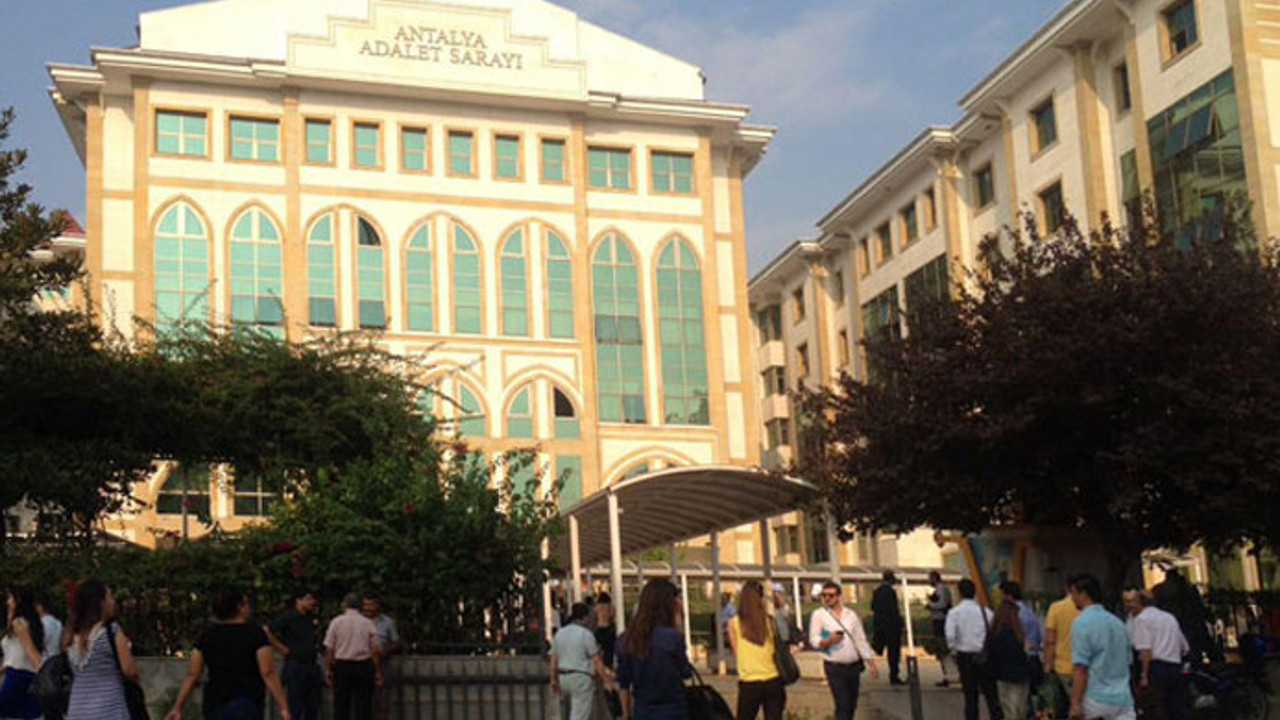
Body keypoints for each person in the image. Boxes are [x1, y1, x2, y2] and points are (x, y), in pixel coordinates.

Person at [165, 586, 291, 720]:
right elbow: (268, 672)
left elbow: (192, 674)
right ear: (240, 607)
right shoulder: (255, 634)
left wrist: (178, 707)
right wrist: (283, 707)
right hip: (247, 700)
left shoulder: (207, 635)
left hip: (215, 701)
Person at [615, 578, 693, 720]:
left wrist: (626, 714)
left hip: (643, 710)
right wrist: (680, 622)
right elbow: (685, 672)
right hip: (673, 710)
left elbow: (624, 683)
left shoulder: (626, 639)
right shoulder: (672, 637)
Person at [65, 580, 138, 720]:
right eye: (109, 597)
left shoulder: (71, 635)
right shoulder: (111, 631)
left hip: (77, 709)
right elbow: (129, 670)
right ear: (101, 602)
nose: (113, 602)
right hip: (109, 708)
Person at [1067, 574, 1134, 720]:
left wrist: (1075, 703)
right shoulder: (1118, 623)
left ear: (1083, 594)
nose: (1071, 597)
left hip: (1095, 698)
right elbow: (1128, 661)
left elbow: (1081, 668)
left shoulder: (1081, 623)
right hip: (1123, 698)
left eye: (1073, 592)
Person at [808, 581, 878, 720]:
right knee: (842, 704)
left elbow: (860, 639)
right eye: (824, 595)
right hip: (834, 666)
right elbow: (813, 639)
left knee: (851, 704)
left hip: (853, 666)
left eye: (831, 595)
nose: (827, 598)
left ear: (839, 596)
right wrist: (828, 641)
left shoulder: (851, 615)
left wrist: (871, 663)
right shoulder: (819, 615)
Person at [1122, 588, 1189, 720]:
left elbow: (1145, 650)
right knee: (1176, 709)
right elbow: (1185, 647)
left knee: (1157, 709)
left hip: (1156, 668)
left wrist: (1144, 676)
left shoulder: (1142, 619)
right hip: (1175, 666)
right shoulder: (1169, 617)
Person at [945, 578, 1003, 720]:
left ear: (959, 593)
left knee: (970, 696)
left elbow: (950, 635)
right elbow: (995, 631)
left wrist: (953, 651)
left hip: (964, 656)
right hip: (984, 656)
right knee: (991, 695)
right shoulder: (986, 612)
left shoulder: (954, 613)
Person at [728, 581, 786, 720]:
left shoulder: (734, 623)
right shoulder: (769, 621)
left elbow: (736, 651)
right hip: (773, 678)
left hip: (749, 680)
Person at [325, 593, 383, 720]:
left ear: (344, 605)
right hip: (363, 665)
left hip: (342, 665)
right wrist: (377, 671)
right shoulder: (367, 623)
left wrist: (328, 668)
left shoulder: (336, 622)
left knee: (341, 704)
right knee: (364, 704)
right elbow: (375, 649)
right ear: (360, 606)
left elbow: (330, 648)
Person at [551, 602, 611, 720]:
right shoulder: (586, 634)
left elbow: (554, 659)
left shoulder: (560, 633)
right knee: (580, 714)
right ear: (585, 617)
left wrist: (553, 678)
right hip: (581, 677)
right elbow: (596, 660)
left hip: (563, 676)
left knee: (566, 711)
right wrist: (606, 679)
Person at [268, 589, 323, 720]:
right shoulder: (289, 617)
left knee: (312, 706)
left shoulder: (311, 618)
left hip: (311, 664)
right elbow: (268, 631)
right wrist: (281, 648)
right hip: (295, 664)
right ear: (299, 600)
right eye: (308, 599)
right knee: (294, 706)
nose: (312, 602)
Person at [1151, 569, 1220, 664]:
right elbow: (1198, 607)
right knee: (1194, 654)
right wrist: (1209, 617)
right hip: (1191, 626)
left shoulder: (1158, 591)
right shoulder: (1188, 589)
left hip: (1169, 627)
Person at [0, 587, 46, 720]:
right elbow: (15, 655)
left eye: (10, 598)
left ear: (17, 601)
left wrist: (43, 674)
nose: (7, 601)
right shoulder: (26, 623)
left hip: (17, 676)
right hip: (21, 673)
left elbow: (30, 650)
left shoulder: (18, 624)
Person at [1044, 582, 1081, 718]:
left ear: (1066, 589)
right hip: (1083, 667)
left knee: (1061, 709)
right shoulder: (1085, 609)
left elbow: (1050, 640)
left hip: (1062, 666)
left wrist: (1048, 664)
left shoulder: (1056, 608)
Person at [989, 599, 1031, 720]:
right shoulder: (1016, 634)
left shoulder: (994, 633)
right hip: (1019, 676)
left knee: (1007, 708)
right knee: (1019, 709)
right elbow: (1020, 656)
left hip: (1001, 676)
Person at [362, 594, 402, 720]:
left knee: (382, 698)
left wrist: (384, 651)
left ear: (377, 605)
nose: (367, 608)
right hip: (362, 661)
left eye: (370, 605)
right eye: (365, 605)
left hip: (382, 662)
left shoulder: (388, 622)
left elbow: (396, 642)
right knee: (362, 698)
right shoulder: (359, 621)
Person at [871, 571, 905, 686]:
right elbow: (893, 610)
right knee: (894, 651)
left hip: (880, 625)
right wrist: (900, 622)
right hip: (891, 625)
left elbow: (873, 608)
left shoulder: (877, 591)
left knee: (879, 646)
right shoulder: (890, 592)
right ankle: (894, 675)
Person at [926, 570, 954, 688]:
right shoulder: (939, 589)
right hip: (938, 619)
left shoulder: (942, 589)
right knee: (941, 648)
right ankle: (946, 675)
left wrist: (931, 605)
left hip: (941, 620)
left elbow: (942, 604)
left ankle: (949, 675)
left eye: (930, 578)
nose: (928, 581)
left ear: (934, 578)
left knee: (943, 647)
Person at [34, 591, 64, 662]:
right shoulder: (58, 623)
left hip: (44, 659)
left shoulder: (41, 624)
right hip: (57, 659)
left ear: (40, 607)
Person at [594, 592, 617, 669]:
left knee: (599, 648)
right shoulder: (610, 607)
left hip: (599, 628)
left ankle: (600, 664)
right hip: (608, 629)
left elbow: (595, 617)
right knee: (609, 649)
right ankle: (608, 664)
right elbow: (612, 616)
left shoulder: (597, 607)